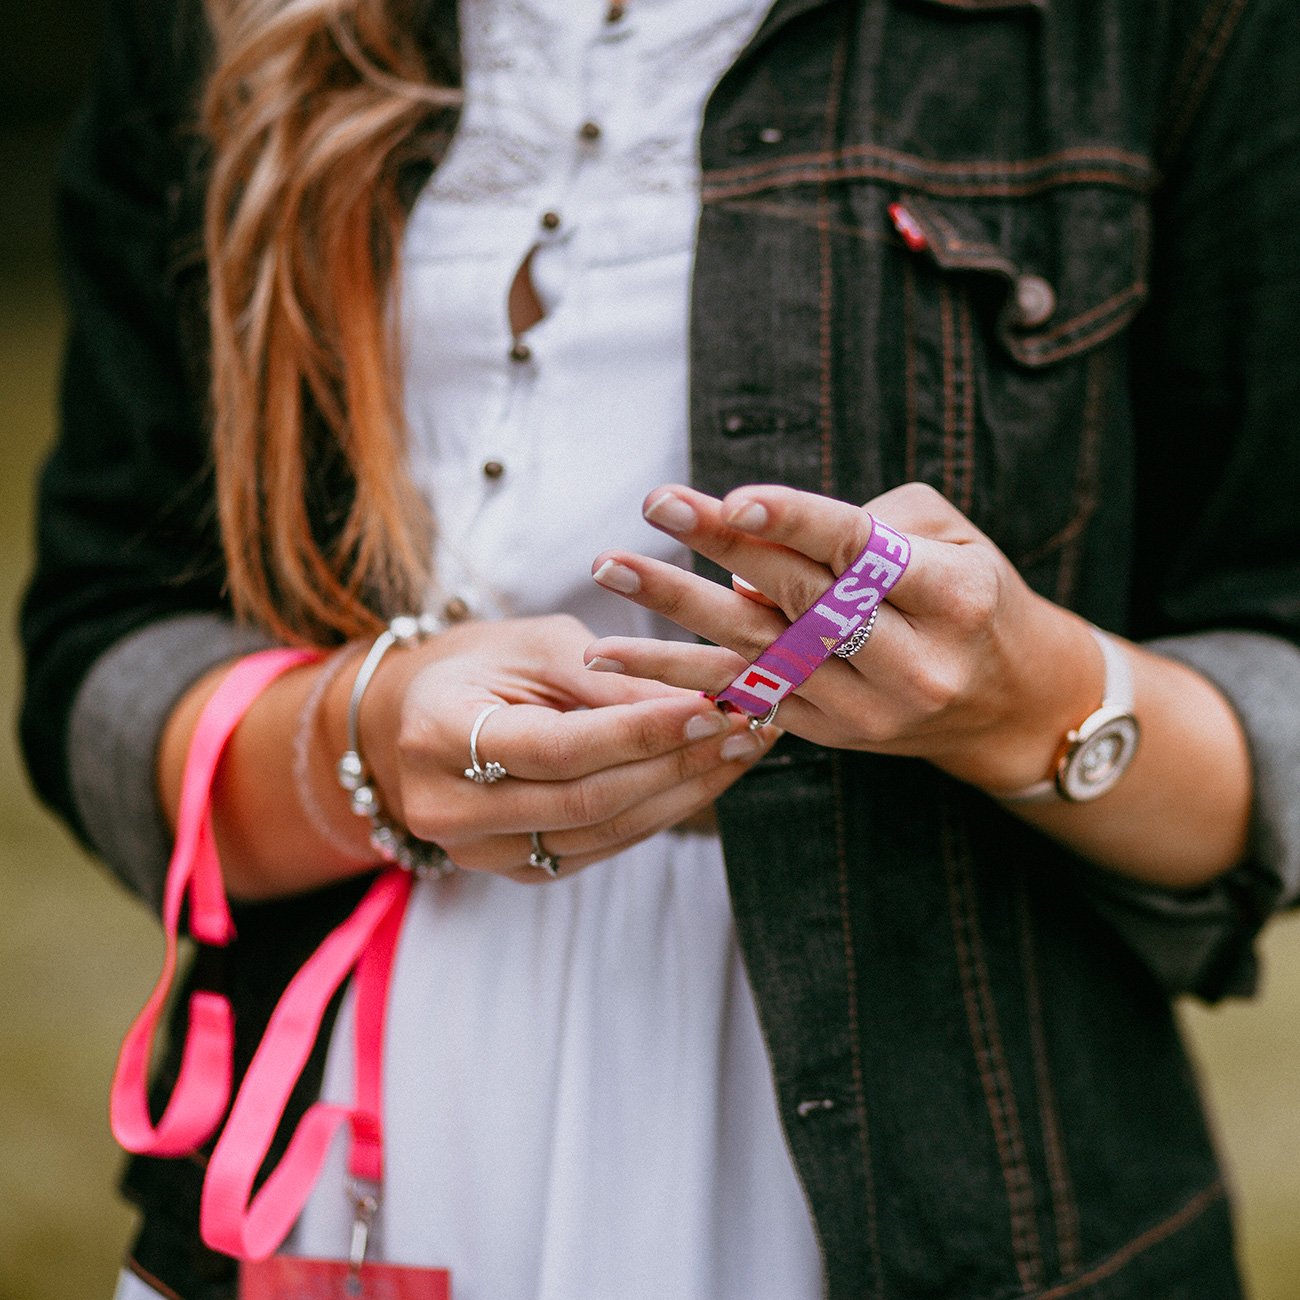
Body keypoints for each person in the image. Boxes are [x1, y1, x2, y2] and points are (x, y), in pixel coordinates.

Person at [19, 0, 1300, 1296]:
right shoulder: (227, 21)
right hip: (354, 1120)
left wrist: (1029, 704)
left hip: (937, 1161)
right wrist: (358, 739)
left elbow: (1277, 700)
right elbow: (106, 637)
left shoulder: (1170, 33)